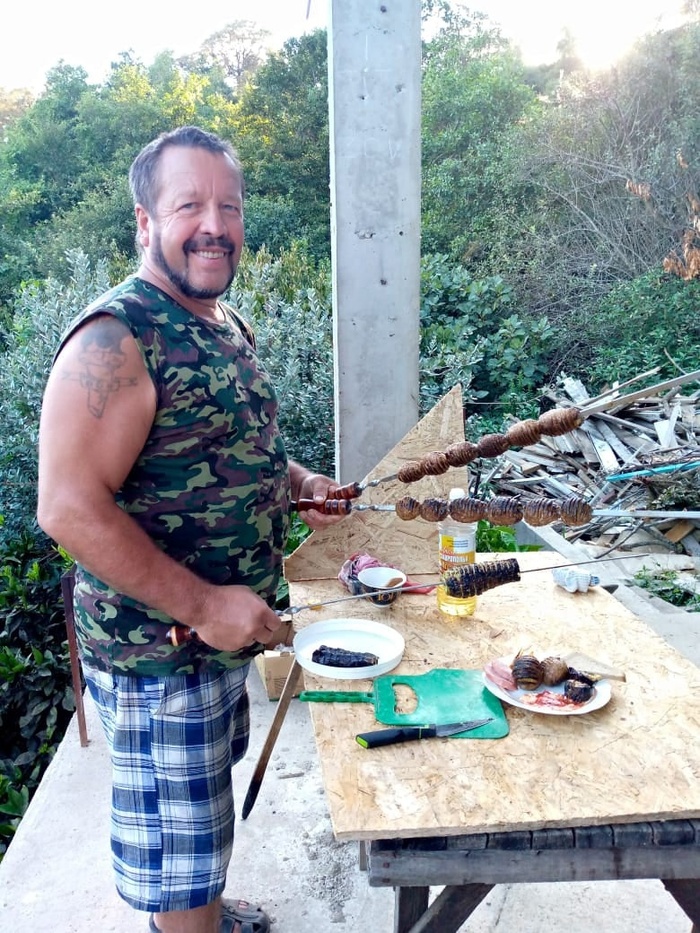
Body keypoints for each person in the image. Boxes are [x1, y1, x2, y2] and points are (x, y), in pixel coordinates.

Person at [37, 125, 345, 933]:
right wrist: (205, 605)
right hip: (160, 656)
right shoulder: (115, 339)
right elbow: (66, 506)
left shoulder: (220, 320)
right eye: (189, 206)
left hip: (214, 644)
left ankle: (204, 914)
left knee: (200, 823)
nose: (214, 225)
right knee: (179, 855)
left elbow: (230, 443)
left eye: (229, 206)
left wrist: (300, 485)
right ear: (145, 221)